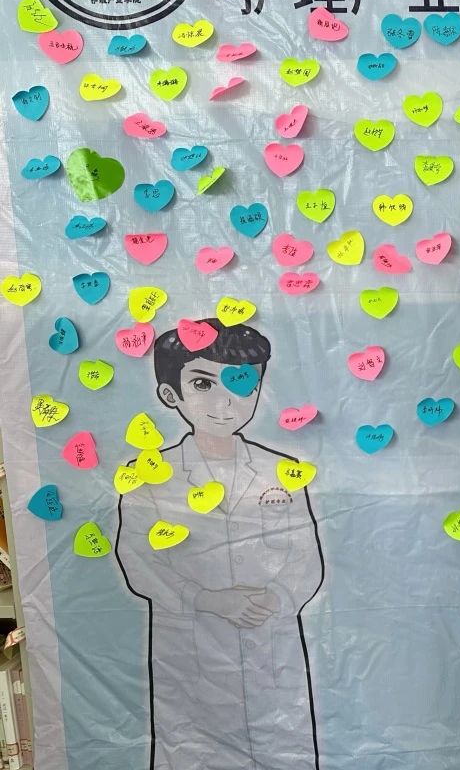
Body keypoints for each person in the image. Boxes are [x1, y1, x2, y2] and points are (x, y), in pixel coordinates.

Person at [113, 319, 325, 770]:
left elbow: (305, 556)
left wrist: (275, 597)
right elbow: (138, 558)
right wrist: (206, 599)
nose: (224, 401)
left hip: (270, 647)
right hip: (191, 650)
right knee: (193, 753)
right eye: (203, 383)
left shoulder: (282, 471)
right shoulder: (148, 477)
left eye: (240, 382)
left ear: (258, 388)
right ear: (170, 394)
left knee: (281, 753)